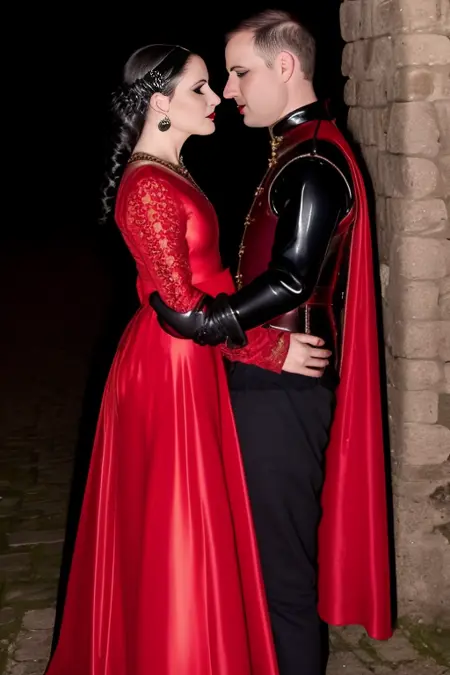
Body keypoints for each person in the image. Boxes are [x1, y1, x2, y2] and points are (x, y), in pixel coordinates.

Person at [45, 43, 329, 675]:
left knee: (195, 522)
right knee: (180, 527)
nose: (215, 97)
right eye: (199, 87)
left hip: (188, 359)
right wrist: (274, 350)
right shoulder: (149, 185)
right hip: (169, 365)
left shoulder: (169, 171)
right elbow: (182, 308)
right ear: (160, 102)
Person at [150, 10, 393, 675]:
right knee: (261, 561)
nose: (229, 90)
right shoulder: (298, 149)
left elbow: (291, 277)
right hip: (269, 379)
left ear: (284, 66)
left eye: (239, 72)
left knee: (281, 575)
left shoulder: (312, 158)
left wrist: (211, 322)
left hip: (281, 389)